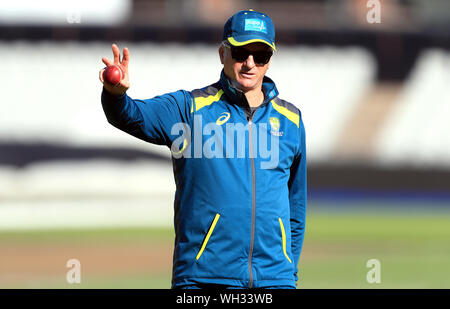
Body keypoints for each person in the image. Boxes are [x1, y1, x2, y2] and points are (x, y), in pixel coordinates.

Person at [99, 9, 307, 289]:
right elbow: (131, 116)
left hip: (274, 281)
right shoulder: (190, 109)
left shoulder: (291, 121)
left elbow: (296, 206)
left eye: (260, 56)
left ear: (270, 61)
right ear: (223, 54)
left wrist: (287, 270)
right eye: (241, 52)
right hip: (203, 279)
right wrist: (116, 95)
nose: (250, 63)